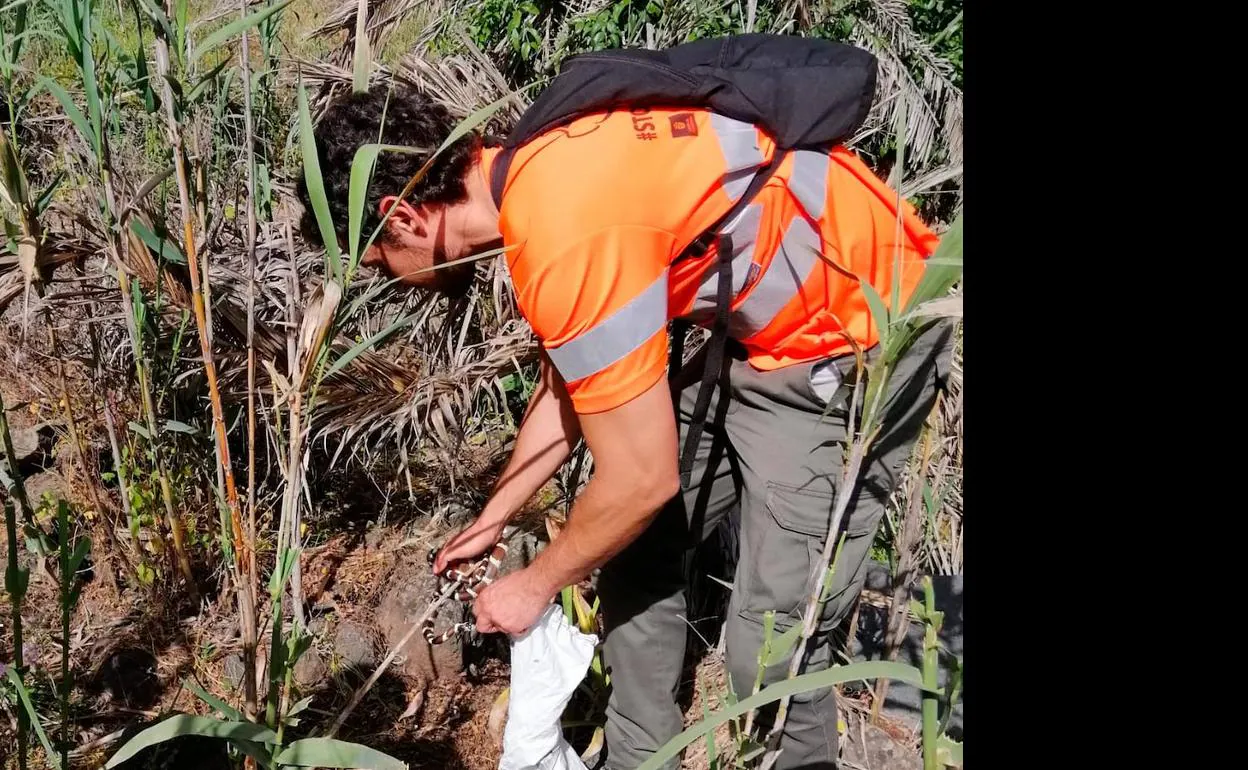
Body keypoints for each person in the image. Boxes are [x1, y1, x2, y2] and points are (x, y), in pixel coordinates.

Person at [298, 73, 952, 769]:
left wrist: (533, 585)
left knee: (774, 649)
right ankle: (643, 759)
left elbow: (642, 481)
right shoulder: (536, 169)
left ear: (402, 217)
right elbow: (568, 387)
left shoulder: (565, 233)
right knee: (634, 549)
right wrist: (497, 514)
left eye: (382, 264)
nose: (398, 281)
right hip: (762, 334)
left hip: (859, 338)